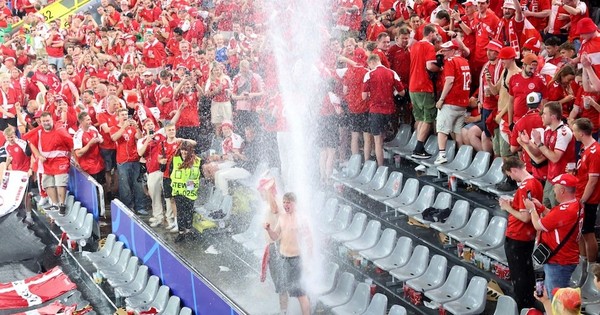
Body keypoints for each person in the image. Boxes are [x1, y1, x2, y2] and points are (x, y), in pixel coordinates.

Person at [525, 173, 583, 298]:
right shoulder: (576, 203)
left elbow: (538, 225)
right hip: (565, 258)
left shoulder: (564, 211)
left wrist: (532, 210)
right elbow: (555, 218)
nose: (553, 191)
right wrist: (541, 207)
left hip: (559, 262)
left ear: (562, 190)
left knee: (555, 300)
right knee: (552, 295)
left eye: (555, 188)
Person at [499, 157, 544, 309]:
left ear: (513, 170)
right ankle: (528, 301)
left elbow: (525, 217)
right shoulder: (536, 182)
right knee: (525, 271)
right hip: (526, 236)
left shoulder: (526, 186)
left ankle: (522, 305)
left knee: (519, 274)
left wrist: (507, 207)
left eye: (509, 175)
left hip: (518, 235)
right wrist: (514, 203)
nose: (511, 178)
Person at [264, 192, 312, 315]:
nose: (285, 205)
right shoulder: (282, 218)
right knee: (282, 288)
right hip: (283, 258)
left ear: (294, 204)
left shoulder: (302, 219)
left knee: (300, 293)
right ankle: (283, 312)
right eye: (284, 202)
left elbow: (309, 241)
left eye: (288, 202)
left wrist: (308, 262)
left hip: (296, 260)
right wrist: (269, 229)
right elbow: (275, 237)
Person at [528, 102, 575, 207]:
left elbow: (555, 158)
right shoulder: (548, 130)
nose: (541, 115)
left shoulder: (564, 132)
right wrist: (528, 143)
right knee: (546, 208)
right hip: (551, 178)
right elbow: (539, 153)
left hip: (562, 180)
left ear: (553, 117)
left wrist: (539, 143)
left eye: (544, 113)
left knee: (556, 211)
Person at [25, 112, 73, 215]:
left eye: (48, 120)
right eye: (43, 121)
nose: (46, 123)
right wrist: (38, 155)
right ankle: (55, 204)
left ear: (52, 120)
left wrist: (73, 157)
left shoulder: (60, 130)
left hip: (60, 160)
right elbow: (31, 143)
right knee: (47, 184)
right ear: (40, 122)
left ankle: (62, 205)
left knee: (60, 183)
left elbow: (71, 143)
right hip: (46, 162)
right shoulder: (38, 132)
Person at [362, 54, 405, 166]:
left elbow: (364, 96)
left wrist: (373, 92)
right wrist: (392, 91)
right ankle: (388, 163)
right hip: (389, 111)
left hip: (375, 111)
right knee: (384, 138)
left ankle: (380, 166)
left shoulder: (369, 74)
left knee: (377, 142)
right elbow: (402, 92)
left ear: (371, 63)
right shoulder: (392, 73)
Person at [433, 40, 471, 165]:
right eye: (443, 50)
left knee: (442, 129)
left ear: (454, 50)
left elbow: (449, 81)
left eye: (446, 50)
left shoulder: (451, 61)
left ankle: (442, 154)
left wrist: (441, 99)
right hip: (463, 102)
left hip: (451, 101)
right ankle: (461, 158)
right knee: (457, 131)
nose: (444, 52)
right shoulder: (464, 61)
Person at [571, 118, 600, 272]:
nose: (573, 133)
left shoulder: (595, 152)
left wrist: (583, 200)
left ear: (581, 133)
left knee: (588, 232)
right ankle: (582, 262)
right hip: (580, 195)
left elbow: (593, 181)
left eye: (575, 130)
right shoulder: (585, 148)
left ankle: (592, 267)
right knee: (581, 232)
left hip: (588, 199)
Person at [409, 24, 441, 159]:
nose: (437, 36)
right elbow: (429, 66)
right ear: (431, 33)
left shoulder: (414, 45)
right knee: (428, 118)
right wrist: (440, 68)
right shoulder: (429, 46)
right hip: (424, 85)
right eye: (436, 33)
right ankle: (419, 148)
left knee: (420, 118)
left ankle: (417, 146)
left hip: (413, 86)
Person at [161, 141, 201, 242]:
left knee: (189, 211)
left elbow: (198, 176)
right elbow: (170, 173)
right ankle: (181, 232)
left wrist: (190, 186)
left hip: (190, 190)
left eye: (186, 150)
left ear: (190, 151)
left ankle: (189, 231)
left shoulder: (197, 161)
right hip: (178, 190)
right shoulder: (175, 160)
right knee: (181, 212)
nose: (183, 152)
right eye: (182, 149)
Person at [73, 112, 105, 184]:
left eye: (90, 119)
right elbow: (78, 153)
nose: (90, 121)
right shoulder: (78, 135)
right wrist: (89, 144)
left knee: (102, 184)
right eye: (87, 120)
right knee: (93, 187)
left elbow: (101, 139)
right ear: (81, 122)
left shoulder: (93, 128)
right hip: (88, 166)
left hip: (98, 163)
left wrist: (100, 140)